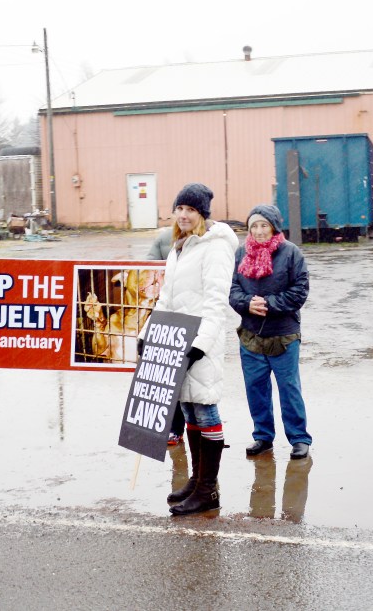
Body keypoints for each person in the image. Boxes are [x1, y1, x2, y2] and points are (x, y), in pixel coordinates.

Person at [139, 183, 239, 516]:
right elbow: (166, 298)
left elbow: (216, 303)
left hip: (200, 342)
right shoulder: (178, 246)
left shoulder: (216, 247)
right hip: (175, 339)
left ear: (202, 214)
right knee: (189, 409)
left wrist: (199, 346)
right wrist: (147, 333)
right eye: (180, 208)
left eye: (191, 210)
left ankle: (208, 490)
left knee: (205, 409)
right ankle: (197, 481)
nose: (183, 215)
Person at [229, 205, 312, 460]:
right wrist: (246, 303)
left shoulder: (291, 253)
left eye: (264, 225)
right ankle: (263, 436)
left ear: (274, 227)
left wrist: (269, 304)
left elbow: (300, 290)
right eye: (254, 226)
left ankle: (299, 438)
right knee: (256, 389)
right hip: (251, 335)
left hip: (284, 335)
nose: (259, 231)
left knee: (289, 388)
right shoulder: (241, 253)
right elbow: (232, 289)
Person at [145, 226, 185, 446]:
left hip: (193, 315)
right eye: (180, 210)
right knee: (171, 375)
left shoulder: (207, 239)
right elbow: (148, 270)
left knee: (193, 379)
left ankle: (195, 427)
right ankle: (175, 427)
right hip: (169, 314)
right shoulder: (164, 239)